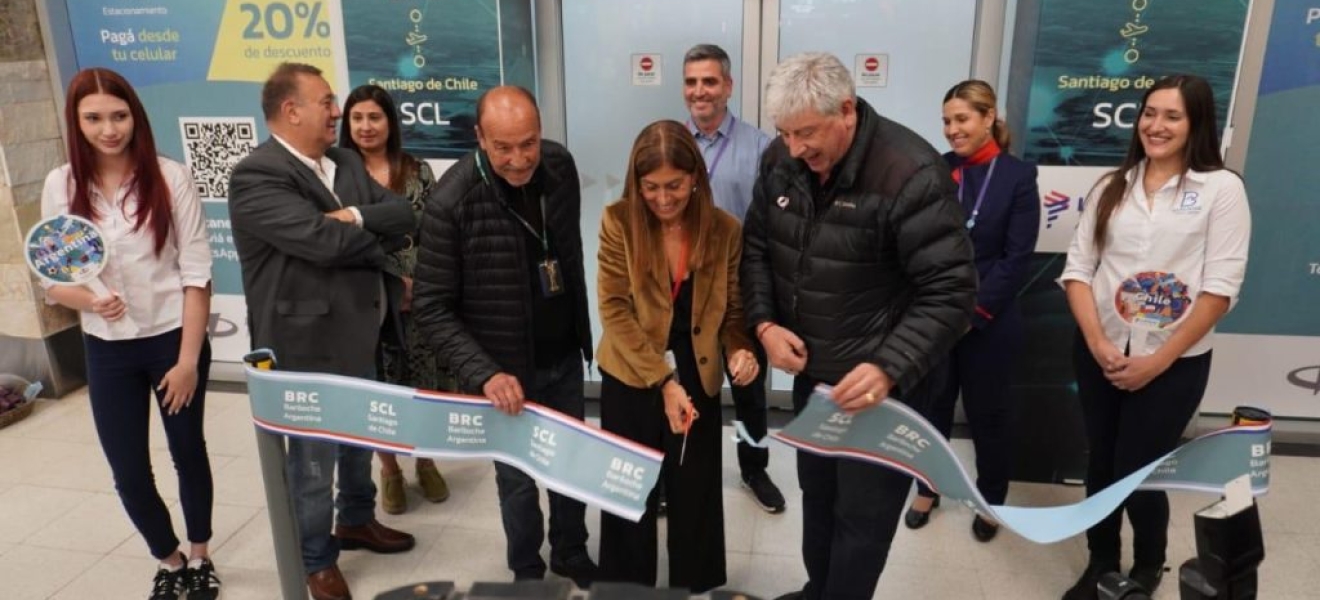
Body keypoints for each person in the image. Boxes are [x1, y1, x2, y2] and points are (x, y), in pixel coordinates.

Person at [741, 53, 977, 600]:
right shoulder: (781, 158)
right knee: (818, 504)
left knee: (862, 525)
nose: (795, 148)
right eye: (785, 132)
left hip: (883, 394)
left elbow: (952, 293)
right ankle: (816, 590)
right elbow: (756, 249)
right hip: (816, 383)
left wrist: (889, 366)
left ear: (846, 110)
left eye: (806, 133)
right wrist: (764, 324)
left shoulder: (911, 173)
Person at [229, 62, 418, 600]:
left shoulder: (344, 162)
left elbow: (404, 214)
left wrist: (355, 217)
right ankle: (314, 559)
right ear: (291, 111)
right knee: (314, 464)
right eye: (327, 102)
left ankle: (356, 519)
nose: (337, 112)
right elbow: (320, 243)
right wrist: (365, 234)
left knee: (360, 441)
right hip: (305, 345)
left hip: (363, 332)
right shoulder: (256, 175)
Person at [1059, 74, 1250, 599]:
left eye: (1172, 116)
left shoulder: (1221, 189)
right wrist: (1097, 342)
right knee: (1101, 460)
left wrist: (1158, 360)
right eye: (1149, 113)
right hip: (1100, 348)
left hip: (1173, 360)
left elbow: (1220, 288)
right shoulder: (1110, 187)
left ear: (1196, 124)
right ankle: (1101, 561)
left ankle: (1147, 565)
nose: (1156, 125)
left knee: (1140, 468)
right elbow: (1078, 270)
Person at [40, 67, 220, 600]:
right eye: (93, 118)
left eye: (118, 116)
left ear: (135, 116)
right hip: (107, 348)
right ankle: (169, 559)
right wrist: (92, 299)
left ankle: (202, 557)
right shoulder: (61, 184)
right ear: (76, 121)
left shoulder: (170, 177)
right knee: (127, 467)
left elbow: (196, 273)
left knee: (188, 450)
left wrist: (187, 361)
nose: (109, 129)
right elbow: (55, 282)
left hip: (173, 339)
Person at [411, 86, 598, 588]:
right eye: (504, 148)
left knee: (568, 465)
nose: (520, 160)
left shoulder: (560, 167)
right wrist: (484, 372)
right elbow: (430, 305)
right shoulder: (451, 202)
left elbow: (568, 254)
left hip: (562, 353)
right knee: (516, 482)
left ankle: (570, 550)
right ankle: (527, 569)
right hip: (504, 373)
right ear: (479, 139)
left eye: (529, 143)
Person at [595, 120, 759, 593]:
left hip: (697, 368)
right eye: (651, 188)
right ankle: (628, 584)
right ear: (636, 182)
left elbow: (732, 310)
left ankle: (695, 580)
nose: (663, 199)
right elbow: (613, 309)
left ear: (696, 177)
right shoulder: (618, 220)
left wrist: (741, 349)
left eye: (675, 186)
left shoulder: (725, 229)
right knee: (629, 486)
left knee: (695, 488)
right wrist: (664, 382)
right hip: (632, 370)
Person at [903, 80, 1040, 541]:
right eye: (946, 121)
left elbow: (1017, 259)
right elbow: (919, 242)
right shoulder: (936, 169)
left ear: (988, 118)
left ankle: (991, 498)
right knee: (931, 411)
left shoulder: (1019, 177)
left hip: (989, 322)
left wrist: (970, 313)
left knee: (989, 416)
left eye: (962, 119)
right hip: (935, 320)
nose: (952, 130)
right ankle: (928, 487)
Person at [681, 43, 784, 513]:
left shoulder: (761, 148)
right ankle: (682, 473)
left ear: (728, 86)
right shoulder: (671, 143)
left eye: (709, 81)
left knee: (748, 392)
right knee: (688, 388)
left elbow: (770, 229)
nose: (699, 91)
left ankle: (753, 467)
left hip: (740, 292)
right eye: (691, 82)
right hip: (685, 292)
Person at [340, 84, 451, 514]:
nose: (366, 127)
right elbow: (339, 239)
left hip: (422, 296)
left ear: (390, 123)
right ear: (348, 125)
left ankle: (425, 459)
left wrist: (421, 284)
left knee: (423, 383)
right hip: (368, 301)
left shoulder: (417, 169)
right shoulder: (336, 174)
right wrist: (389, 285)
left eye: (375, 117)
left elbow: (439, 234)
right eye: (358, 118)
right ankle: (388, 469)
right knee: (380, 389)